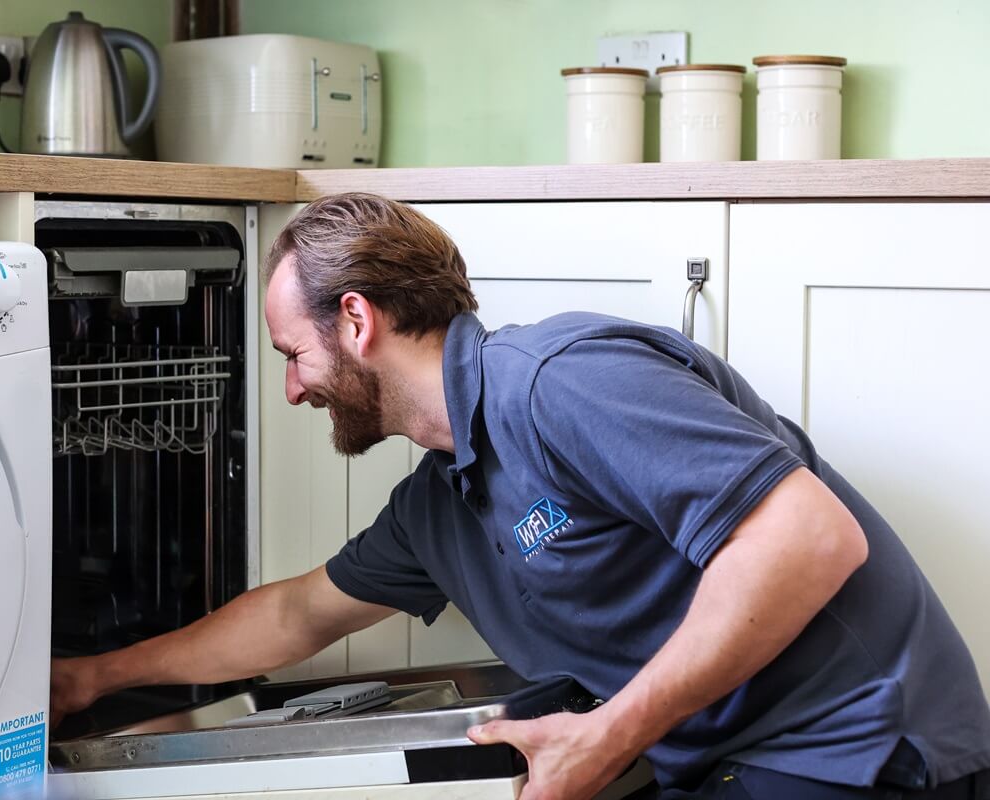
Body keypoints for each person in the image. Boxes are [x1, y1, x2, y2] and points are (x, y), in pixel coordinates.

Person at [51, 193, 990, 799]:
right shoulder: (438, 504)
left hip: (858, 752)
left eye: (292, 356)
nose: (293, 390)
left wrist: (607, 733)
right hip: (730, 762)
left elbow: (808, 537)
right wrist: (96, 677)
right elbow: (296, 615)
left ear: (355, 320)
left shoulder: (560, 381)